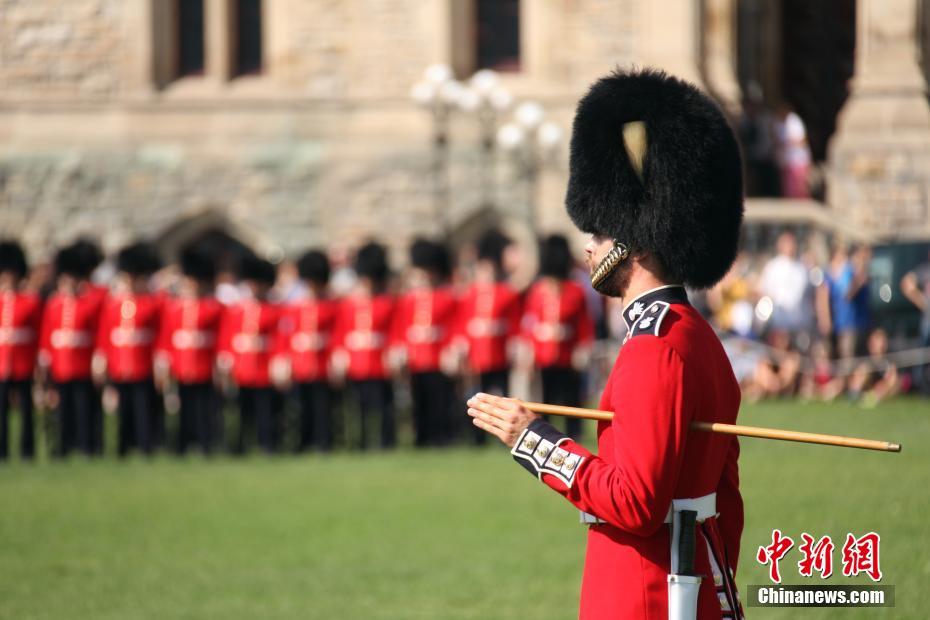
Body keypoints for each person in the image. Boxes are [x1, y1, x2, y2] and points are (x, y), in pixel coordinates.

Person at [467, 68, 745, 619]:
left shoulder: (656, 346)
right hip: (688, 583)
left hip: (646, 593)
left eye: (599, 233)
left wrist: (533, 440)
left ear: (635, 241)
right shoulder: (695, 335)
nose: (589, 249)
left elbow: (635, 502)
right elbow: (727, 501)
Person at [521, 234, 594, 439]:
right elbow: (529, 323)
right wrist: (530, 348)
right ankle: (547, 434)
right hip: (543, 354)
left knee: (571, 398)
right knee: (546, 399)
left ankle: (574, 433)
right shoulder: (537, 291)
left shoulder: (575, 291)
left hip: (568, 353)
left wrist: (582, 347)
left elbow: (583, 323)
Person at [454, 229, 522, 445]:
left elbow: (514, 322)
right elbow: (462, 322)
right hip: (477, 355)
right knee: (477, 397)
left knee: (502, 396)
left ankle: (506, 434)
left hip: (499, 352)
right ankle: (477, 437)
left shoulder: (506, 293)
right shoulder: (470, 294)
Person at [95, 241, 164, 456]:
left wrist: (159, 362)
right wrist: (101, 358)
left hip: (142, 363)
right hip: (120, 363)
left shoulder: (151, 303)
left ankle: (145, 446)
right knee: (122, 410)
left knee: (144, 409)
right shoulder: (113, 304)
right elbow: (106, 335)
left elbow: (159, 334)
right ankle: (122, 447)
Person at [39, 239, 106, 456]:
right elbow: (48, 335)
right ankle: (63, 447)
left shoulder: (91, 302)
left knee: (84, 409)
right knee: (62, 411)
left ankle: (87, 446)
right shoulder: (54, 304)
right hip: (61, 365)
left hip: (82, 363)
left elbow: (98, 332)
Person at [390, 238, 458, 447]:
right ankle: (422, 438)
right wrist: (399, 349)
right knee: (420, 402)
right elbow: (400, 328)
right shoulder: (408, 300)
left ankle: (443, 437)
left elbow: (454, 325)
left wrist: (451, 349)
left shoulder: (446, 297)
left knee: (441, 401)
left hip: (438, 358)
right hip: (417, 358)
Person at [157, 245, 224, 454]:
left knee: (206, 408)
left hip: (204, 364)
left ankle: (206, 443)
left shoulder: (214, 307)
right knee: (184, 409)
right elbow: (167, 337)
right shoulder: (175, 308)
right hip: (182, 364)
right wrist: (164, 361)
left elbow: (220, 337)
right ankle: (184, 444)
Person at [331, 242, 396, 450]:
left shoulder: (386, 303)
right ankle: (360, 442)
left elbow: (394, 332)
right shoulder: (349, 306)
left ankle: (386, 442)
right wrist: (340, 355)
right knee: (358, 408)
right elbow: (341, 334)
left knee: (383, 407)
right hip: (357, 363)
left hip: (379, 363)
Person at [274, 249, 339, 452]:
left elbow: (337, 334)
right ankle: (303, 441)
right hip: (300, 364)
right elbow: (285, 336)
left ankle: (323, 441)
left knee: (322, 407)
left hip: (321, 363)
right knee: (300, 407)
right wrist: (283, 359)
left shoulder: (331, 306)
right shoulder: (294, 308)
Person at [218, 254, 282, 453]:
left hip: (264, 367)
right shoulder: (237, 311)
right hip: (242, 368)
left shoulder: (274, 310)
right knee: (243, 412)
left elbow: (279, 339)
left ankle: (267, 445)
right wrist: (226, 359)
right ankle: (241, 446)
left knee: (266, 411)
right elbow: (227, 337)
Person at [0, 240, 42, 461]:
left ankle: (27, 450)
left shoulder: (29, 301)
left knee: (27, 411)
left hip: (23, 361)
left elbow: (37, 333)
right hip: (2, 363)